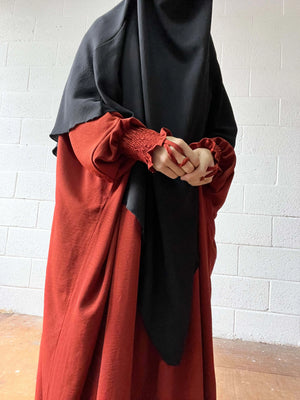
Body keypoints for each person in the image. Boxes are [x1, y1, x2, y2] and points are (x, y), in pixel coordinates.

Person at [35, 1, 237, 399]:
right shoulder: (108, 33)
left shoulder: (201, 48)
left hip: (179, 232)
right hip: (123, 230)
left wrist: (207, 158)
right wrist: (143, 144)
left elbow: (221, 128)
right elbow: (79, 122)